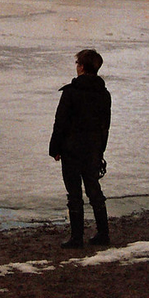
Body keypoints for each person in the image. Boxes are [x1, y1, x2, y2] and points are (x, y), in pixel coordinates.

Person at [49, 48, 111, 248]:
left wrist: (54, 148)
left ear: (82, 67)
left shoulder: (70, 92)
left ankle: (77, 238)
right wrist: (100, 150)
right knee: (94, 190)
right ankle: (103, 234)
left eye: (77, 64)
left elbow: (60, 123)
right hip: (93, 149)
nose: (76, 67)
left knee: (74, 193)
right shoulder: (104, 94)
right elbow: (105, 126)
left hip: (72, 149)